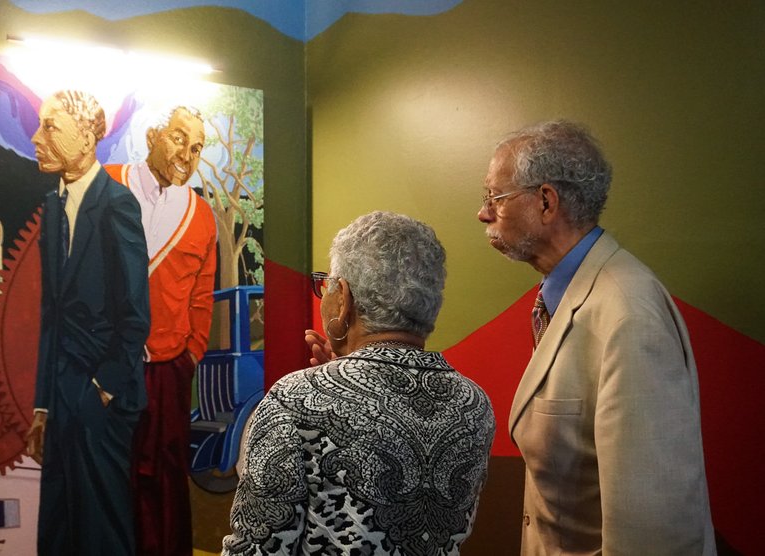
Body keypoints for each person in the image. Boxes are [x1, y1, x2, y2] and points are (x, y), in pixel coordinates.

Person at [478, 120, 716, 554]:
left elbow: (653, 528)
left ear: (546, 202)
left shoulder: (628, 315)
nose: (484, 213)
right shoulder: (574, 295)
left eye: (494, 197)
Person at [223, 211, 495, 555]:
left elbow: (257, 546)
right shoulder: (473, 403)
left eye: (326, 285)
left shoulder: (295, 400)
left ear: (344, 298)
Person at [23, 90, 151, 556]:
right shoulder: (52, 206)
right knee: (58, 527)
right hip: (59, 396)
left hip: (101, 397)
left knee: (102, 529)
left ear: (86, 136)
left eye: (50, 126)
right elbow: (50, 316)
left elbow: (135, 313)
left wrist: (103, 387)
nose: (37, 138)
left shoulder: (117, 204)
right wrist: (42, 405)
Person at [104, 106, 217, 556]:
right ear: (152, 135)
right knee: (109, 471)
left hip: (169, 368)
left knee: (165, 476)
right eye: (177, 138)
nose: (186, 155)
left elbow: (202, 296)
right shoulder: (107, 183)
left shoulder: (201, 214)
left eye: (196, 148)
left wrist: (192, 353)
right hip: (106, 363)